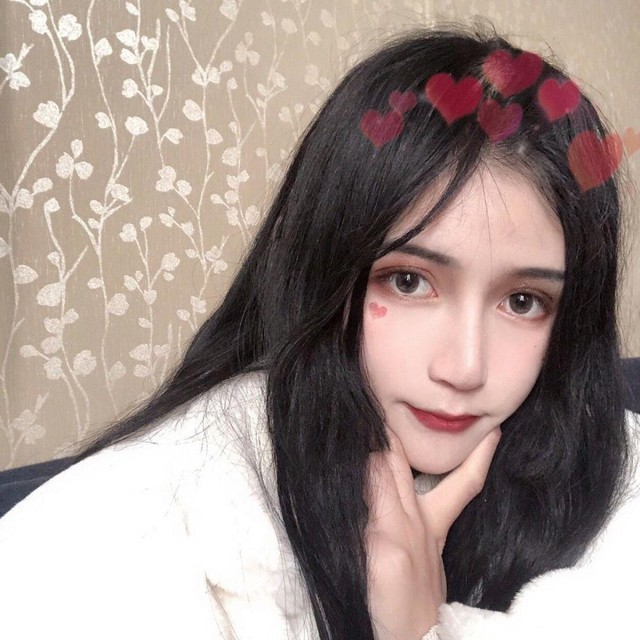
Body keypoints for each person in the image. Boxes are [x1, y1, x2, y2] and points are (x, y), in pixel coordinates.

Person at [0, 24, 638, 640]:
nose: (464, 367)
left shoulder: (618, 477)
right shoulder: (141, 521)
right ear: (327, 271)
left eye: (523, 301)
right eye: (409, 281)